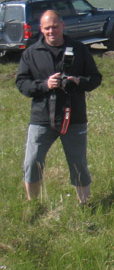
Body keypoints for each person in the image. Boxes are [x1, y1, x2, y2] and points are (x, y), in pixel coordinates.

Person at [15, 10, 102, 204]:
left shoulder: (79, 49)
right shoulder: (31, 52)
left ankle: (85, 205)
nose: (51, 31)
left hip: (74, 117)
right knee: (32, 162)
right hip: (42, 118)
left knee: (78, 163)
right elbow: (22, 83)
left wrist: (78, 81)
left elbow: (96, 79)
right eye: (47, 28)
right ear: (41, 29)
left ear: (63, 26)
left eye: (55, 26)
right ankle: (34, 205)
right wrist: (45, 85)